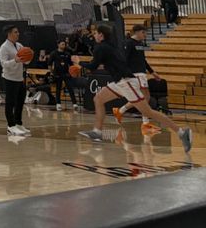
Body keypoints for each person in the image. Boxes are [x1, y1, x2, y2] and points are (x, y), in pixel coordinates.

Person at [78, 24, 191, 152]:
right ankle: (97, 132)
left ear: (101, 35)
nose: (94, 35)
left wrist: (78, 62)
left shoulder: (101, 47)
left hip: (126, 82)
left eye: (95, 33)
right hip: (119, 81)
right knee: (98, 99)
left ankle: (182, 132)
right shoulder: (111, 45)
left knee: (148, 111)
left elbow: (93, 66)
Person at [115, 25, 163, 134]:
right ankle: (145, 123)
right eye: (143, 32)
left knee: (140, 98)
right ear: (136, 32)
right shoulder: (129, 43)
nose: (145, 35)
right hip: (135, 74)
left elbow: (143, 60)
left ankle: (120, 111)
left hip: (141, 73)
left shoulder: (140, 44)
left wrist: (152, 72)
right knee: (145, 97)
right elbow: (123, 59)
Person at [0, 24, 29, 136]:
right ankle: (10, 126)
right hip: (9, 78)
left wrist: (28, 58)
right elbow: (4, 64)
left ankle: (18, 123)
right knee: (10, 103)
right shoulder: (4, 47)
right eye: (16, 32)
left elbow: (25, 61)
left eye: (18, 32)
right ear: (9, 34)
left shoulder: (19, 45)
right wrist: (15, 60)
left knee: (20, 102)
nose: (18, 34)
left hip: (19, 78)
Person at [49, 40, 78, 111]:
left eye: (64, 44)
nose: (63, 45)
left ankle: (74, 104)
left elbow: (71, 65)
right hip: (57, 74)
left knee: (70, 88)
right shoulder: (54, 53)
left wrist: (72, 72)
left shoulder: (67, 54)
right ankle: (58, 104)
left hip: (66, 73)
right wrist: (52, 72)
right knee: (58, 88)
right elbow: (49, 64)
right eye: (62, 44)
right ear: (58, 45)